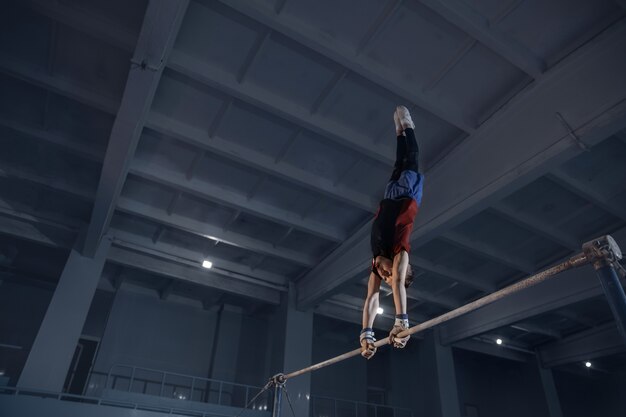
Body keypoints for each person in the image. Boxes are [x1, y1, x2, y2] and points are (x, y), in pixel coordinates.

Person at [360, 106, 424, 359]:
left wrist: (366, 332)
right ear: (403, 267)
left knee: (399, 161)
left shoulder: (376, 265)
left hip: (389, 196)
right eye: (392, 273)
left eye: (384, 276)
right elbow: (397, 283)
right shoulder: (400, 252)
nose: (386, 274)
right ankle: (409, 127)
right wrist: (401, 321)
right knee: (413, 156)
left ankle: (399, 132)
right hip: (407, 196)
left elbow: (371, 299)